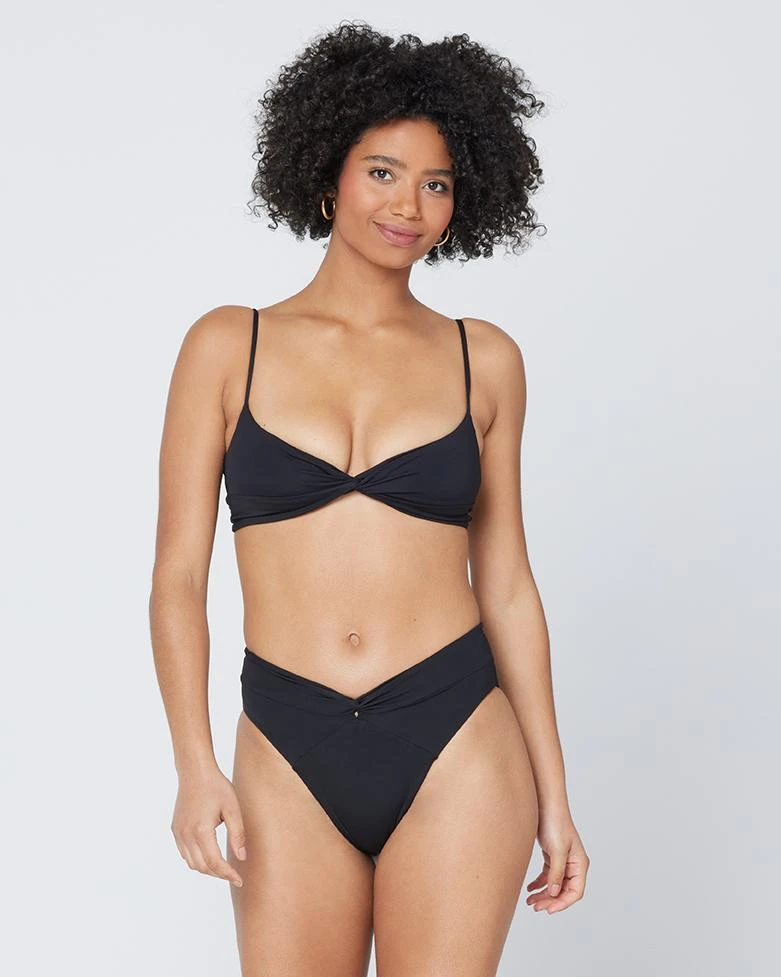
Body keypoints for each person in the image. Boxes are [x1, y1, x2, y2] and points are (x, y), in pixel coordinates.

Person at [149, 21, 589, 976]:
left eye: (436, 183)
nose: (408, 205)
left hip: (457, 735)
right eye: (382, 172)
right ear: (328, 173)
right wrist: (193, 763)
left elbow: (508, 584)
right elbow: (178, 576)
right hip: (285, 739)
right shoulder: (227, 344)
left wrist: (556, 797)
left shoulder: (484, 359)